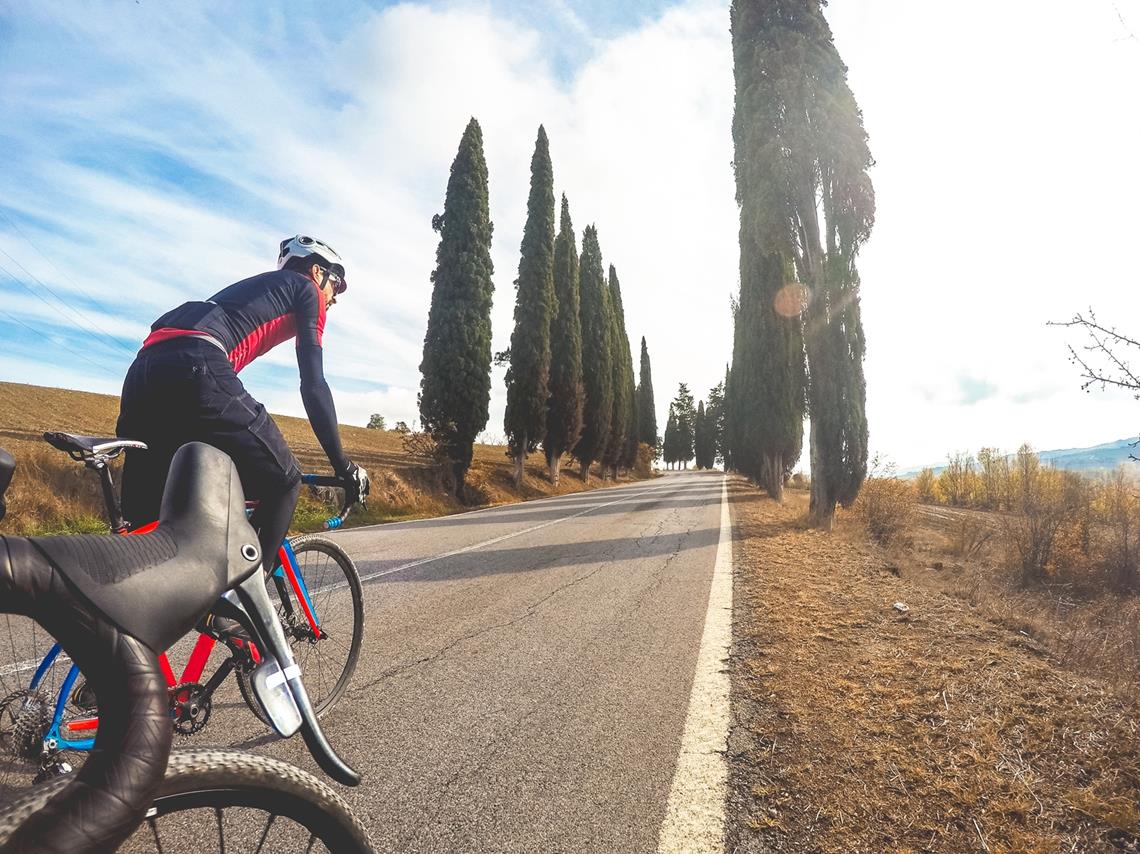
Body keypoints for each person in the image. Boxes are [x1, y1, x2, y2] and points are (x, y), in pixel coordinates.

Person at [116, 235, 369, 595]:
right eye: (336, 283)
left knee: (148, 530)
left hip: (143, 372)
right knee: (283, 481)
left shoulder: (247, 297)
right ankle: (244, 606)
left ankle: (129, 619)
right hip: (196, 362)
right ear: (316, 271)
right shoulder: (306, 289)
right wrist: (343, 466)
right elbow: (313, 385)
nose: (336, 295)